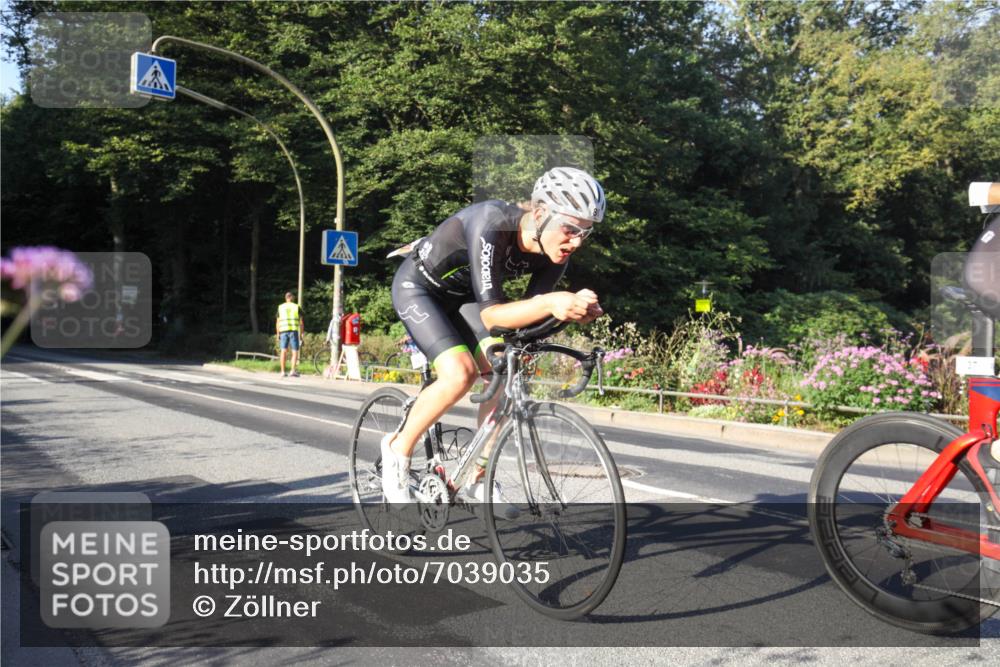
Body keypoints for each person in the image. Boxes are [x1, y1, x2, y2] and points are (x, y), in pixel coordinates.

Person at [382, 167, 606, 505]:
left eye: (585, 233)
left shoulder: (556, 254)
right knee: (460, 374)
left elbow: (527, 317)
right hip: (420, 288)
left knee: (505, 367)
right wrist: (552, 301)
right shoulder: (493, 223)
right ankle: (398, 450)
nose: (576, 241)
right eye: (570, 228)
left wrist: (571, 313)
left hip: (465, 298)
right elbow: (492, 314)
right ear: (541, 214)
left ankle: (477, 476)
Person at [276, 292, 304, 377]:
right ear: (292, 298)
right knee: (295, 351)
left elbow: (277, 322)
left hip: (283, 331)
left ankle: (283, 372)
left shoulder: (280, 307)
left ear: (286, 298)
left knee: (283, 351)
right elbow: (301, 322)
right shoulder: (296, 307)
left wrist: (278, 334)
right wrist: (301, 334)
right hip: (293, 331)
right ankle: (292, 371)